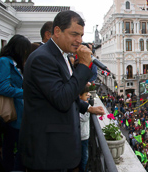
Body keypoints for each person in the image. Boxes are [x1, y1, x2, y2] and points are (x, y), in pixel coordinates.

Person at [19, 10, 105, 171]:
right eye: (74, 34)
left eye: (81, 35)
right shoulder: (42, 58)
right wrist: (85, 66)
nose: (79, 41)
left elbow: (67, 91)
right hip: (48, 151)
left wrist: (87, 107)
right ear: (57, 31)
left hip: (58, 148)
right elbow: (62, 98)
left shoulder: (61, 55)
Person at [0, 35, 31, 171]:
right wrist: (26, 93)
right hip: (12, 112)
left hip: (17, 111)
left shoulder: (11, 62)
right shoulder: (4, 62)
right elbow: (3, 88)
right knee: (13, 147)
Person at [79, 85, 92, 172]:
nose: (88, 96)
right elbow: (84, 118)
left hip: (84, 135)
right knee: (84, 157)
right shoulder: (79, 106)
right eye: (86, 95)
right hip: (82, 136)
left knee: (84, 157)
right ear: (80, 96)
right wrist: (88, 107)